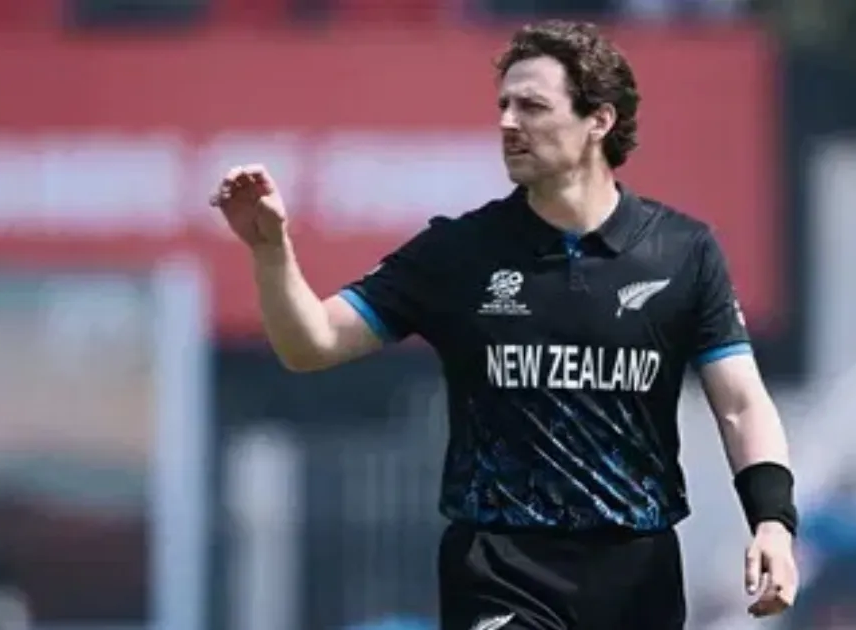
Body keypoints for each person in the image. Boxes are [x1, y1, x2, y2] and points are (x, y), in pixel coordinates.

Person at [211, 19, 799, 630]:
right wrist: (270, 250)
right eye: (504, 105)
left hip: (637, 575)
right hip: (500, 568)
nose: (508, 123)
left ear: (598, 120)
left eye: (532, 106)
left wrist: (773, 524)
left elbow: (741, 405)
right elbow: (312, 344)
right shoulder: (459, 252)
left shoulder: (682, 251)